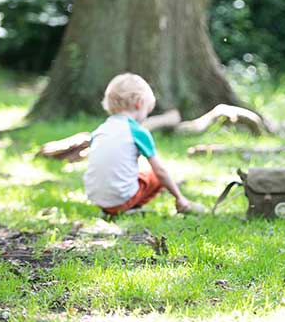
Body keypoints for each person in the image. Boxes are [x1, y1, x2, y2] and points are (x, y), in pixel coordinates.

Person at [83, 73, 202, 217]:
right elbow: (160, 171)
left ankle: (110, 210)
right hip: (121, 201)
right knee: (155, 175)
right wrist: (179, 197)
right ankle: (129, 208)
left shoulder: (100, 130)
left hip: (96, 198)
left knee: (138, 173)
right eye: (148, 109)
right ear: (139, 103)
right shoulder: (138, 132)